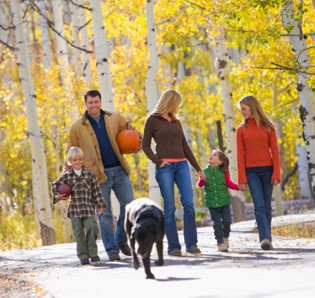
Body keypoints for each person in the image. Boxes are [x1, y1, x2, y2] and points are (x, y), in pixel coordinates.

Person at [66, 90, 142, 261]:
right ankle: (111, 249)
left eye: (96, 102)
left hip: (119, 170)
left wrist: (139, 141)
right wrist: (68, 176)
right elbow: (70, 153)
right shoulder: (77, 127)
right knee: (104, 213)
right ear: (85, 104)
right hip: (97, 175)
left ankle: (120, 239)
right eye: (90, 102)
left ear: (100, 101)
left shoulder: (114, 118)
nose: (94, 105)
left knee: (129, 206)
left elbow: (131, 130)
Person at [142, 89, 203, 256]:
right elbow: (145, 145)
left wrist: (198, 168)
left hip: (182, 165)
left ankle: (191, 244)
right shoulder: (152, 120)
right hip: (165, 168)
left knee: (189, 204)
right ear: (169, 102)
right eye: (176, 104)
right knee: (169, 207)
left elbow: (185, 146)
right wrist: (158, 161)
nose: (177, 108)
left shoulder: (176, 122)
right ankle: (174, 247)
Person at [236, 95, 281, 251]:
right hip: (251, 172)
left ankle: (267, 237)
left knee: (267, 206)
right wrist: (241, 178)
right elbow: (240, 155)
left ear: (252, 107)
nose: (241, 112)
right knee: (259, 205)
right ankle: (264, 238)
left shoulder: (268, 126)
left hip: (268, 170)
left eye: (244, 109)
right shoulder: (240, 130)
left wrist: (277, 173)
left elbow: (275, 151)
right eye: (240, 109)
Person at [52, 147, 106, 265]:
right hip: (75, 210)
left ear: (83, 160)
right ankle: (83, 255)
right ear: (71, 161)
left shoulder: (89, 175)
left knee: (92, 228)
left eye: (80, 159)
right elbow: (55, 184)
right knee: (79, 233)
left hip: (88, 208)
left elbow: (96, 191)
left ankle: (93, 253)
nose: (78, 162)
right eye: (75, 160)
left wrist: (100, 204)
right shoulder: (67, 176)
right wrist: (57, 196)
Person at [197, 150, 239, 252]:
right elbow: (200, 185)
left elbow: (229, 183)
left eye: (214, 155)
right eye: (211, 154)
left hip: (224, 202)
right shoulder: (205, 171)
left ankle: (225, 237)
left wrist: (238, 187)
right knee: (217, 223)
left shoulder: (223, 172)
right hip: (212, 203)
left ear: (220, 162)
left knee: (227, 221)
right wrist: (202, 179)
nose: (211, 155)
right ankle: (220, 243)